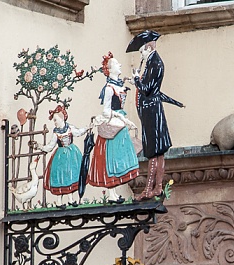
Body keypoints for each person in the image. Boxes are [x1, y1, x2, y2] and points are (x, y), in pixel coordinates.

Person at [126, 30, 183, 200]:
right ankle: (156, 188)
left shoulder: (155, 63)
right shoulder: (151, 63)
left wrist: (137, 79)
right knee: (157, 152)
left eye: (142, 50)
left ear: (149, 47)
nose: (141, 54)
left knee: (153, 151)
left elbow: (148, 89)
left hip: (152, 112)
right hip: (151, 111)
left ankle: (150, 189)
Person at [89, 52, 140, 203]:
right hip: (113, 126)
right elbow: (106, 111)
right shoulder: (109, 88)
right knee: (111, 160)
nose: (120, 66)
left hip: (120, 126)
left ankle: (115, 194)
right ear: (110, 69)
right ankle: (111, 194)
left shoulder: (118, 85)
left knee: (119, 158)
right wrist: (122, 118)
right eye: (117, 64)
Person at [36, 104, 87, 207]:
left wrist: (87, 128)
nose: (54, 122)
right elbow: (50, 146)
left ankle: (70, 199)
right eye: (54, 121)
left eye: (55, 120)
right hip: (60, 157)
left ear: (62, 118)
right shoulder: (55, 133)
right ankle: (59, 201)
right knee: (61, 177)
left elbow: (78, 132)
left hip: (72, 154)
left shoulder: (69, 128)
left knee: (71, 175)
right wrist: (40, 146)